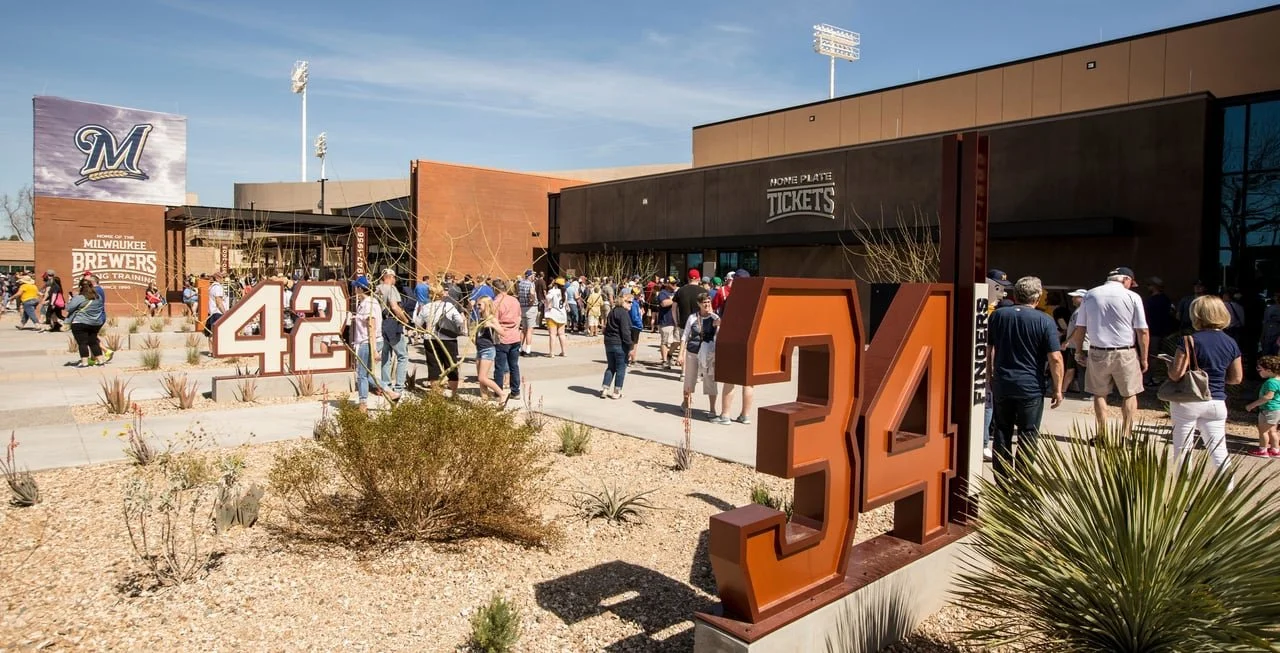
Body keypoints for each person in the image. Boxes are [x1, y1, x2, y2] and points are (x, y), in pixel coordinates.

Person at [987, 276, 1064, 480]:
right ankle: (1022, 479)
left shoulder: (998, 316)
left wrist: (990, 375)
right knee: (1028, 432)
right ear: (1037, 297)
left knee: (1002, 430)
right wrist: (1058, 389)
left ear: (1014, 295)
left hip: (1003, 382)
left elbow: (989, 350)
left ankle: (1002, 478)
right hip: (1030, 385)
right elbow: (1055, 358)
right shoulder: (1044, 320)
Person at [1068, 266, 1149, 437]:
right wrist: (1144, 357)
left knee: (1099, 394)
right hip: (1125, 351)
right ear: (1126, 279)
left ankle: (1102, 434)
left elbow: (1080, 327)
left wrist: (1078, 351)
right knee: (1129, 394)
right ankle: (1126, 435)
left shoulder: (1090, 295)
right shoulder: (1132, 296)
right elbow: (1142, 330)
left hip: (1098, 351)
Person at [1166, 295, 1241, 474]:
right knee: (1219, 451)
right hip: (1216, 401)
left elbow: (1176, 375)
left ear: (1196, 315)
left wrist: (1169, 365)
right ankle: (1227, 490)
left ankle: (1182, 493)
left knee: (1183, 450)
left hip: (1189, 400)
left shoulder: (1189, 340)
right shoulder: (1230, 342)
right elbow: (1236, 378)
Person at [351, 276, 400, 412]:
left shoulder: (368, 304)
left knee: (362, 375)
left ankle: (363, 404)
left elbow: (371, 326)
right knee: (366, 375)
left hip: (368, 342)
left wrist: (373, 349)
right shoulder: (368, 302)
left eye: (356, 287)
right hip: (369, 341)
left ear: (360, 288)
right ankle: (390, 392)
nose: (354, 289)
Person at [414, 284, 465, 397]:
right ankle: (454, 393)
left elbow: (417, 324)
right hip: (448, 339)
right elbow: (460, 321)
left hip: (430, 339)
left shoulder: (426, 307)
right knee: (451, 365)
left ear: (430, 295)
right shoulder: (449, 306)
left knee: (434, 366)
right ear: (442, 294)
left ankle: (436, 394)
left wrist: (425, 330)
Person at [682, 291, 722, 421]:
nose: (707, 304)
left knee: (710, 380)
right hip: (693, 351)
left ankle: (712, 408)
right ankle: (686, 403)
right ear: (699, 304)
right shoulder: (693, 317)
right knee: (690, 378)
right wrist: (680, 355)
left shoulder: (715, 317)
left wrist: (718, 323)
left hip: (709, 353)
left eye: (708, 302)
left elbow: (719, 336)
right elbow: (685, 335)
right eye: (704, 302)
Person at [376, 269, 411, 395]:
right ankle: (399, 387)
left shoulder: (376, 289)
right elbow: (394, 306)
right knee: (402, 355)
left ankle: (386, 385)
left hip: (381, 324)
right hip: (392, 323)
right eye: (394, 278)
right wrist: (406, 320)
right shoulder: (391, 289)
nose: (395, 280)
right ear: (389, 277)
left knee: (386, 356)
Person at [471, 296, 509, 404]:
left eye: (479, 305)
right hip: (479, 349)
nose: (477, 307)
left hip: (487, 349)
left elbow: (502, 332)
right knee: (480, 379)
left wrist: (492, 325)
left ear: (486, 306)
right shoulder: (480, 318)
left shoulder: (491, 318)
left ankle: (502, 394)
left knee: (482, 377)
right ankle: (484, 400)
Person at [491, 278, 524, 401]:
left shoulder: (496, 303)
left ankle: (498, 392)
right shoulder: (514, 300)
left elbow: (494, 320)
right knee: (514, 365)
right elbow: (519, 317)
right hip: (515, 336)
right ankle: (515, 391)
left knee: (499, 366)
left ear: (495, 289)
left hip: (502, 336)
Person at [66, 277, 107, 368]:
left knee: (82, 343)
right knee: (93, 342)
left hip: (80, 322)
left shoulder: (80, 297)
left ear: (81, 287)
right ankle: (100, 361)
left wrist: (70, 299)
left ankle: (84, 362)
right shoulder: (98, 297)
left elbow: (69, 308)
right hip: (95, 323)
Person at [1245, 355, 1280, 458]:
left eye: (1260, 369)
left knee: (1263, 431)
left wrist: (1252, 405)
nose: (1258, 372)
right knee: (1272, 431)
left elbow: (1268, 397)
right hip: (1276, 410)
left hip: (1268, 409)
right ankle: (1275, 450)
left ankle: (1263, 450)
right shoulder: (1278, 381)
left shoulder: (1271, 382)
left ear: (1268, 370)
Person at [601, 294, 634, 399]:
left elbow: (606, 327)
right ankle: (616, 391)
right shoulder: (623, 313)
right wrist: (630, 346)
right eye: (629, 302)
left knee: (611, 366)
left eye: (631, 302)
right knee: (621, 368)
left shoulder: (612, 311)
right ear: (623, 302)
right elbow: (626, 332)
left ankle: (605, 389)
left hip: (609, 342)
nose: (631, 304)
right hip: (619, 344)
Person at [1061, 289, 1088, 394]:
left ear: (1082, 298)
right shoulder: (1077, 311)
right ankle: (1062, 390)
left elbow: (1078, 329)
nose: (1072, 299)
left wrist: (1067, 340)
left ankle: (1086, 393)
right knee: (1070, 368)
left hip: (1082, 345)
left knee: (1083, 370)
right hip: (1074, 345)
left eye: (1075, 296)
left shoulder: (1082, 311)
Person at [656, 278, 679, 369]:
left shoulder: (677, 292)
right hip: (666, 320)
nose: (675, 285)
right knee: (665, 341)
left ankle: (670, 354)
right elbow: (664, 303)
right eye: (673, 283)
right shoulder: (663, 293)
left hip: (676, 320)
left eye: (676, 283)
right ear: (667, 284)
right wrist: (676, 299)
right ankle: (665, 361)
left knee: (678, 341)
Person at [544, 277, 569, 357]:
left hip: (553, 314)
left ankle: (552, 353)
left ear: (556, 284)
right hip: (562, 314)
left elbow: (547, 299)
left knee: (552, 334)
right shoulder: (565, 292)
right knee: (562, 334)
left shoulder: (552, 291)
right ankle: (564, 352)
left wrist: (549, 304)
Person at [517, 269, 539, 354]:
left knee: (524, 329)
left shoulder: (521, 283)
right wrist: (532, 301)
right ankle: (528, 349)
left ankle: (520, 347)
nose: (534, 276)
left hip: (522, 307)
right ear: (530, 276)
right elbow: (532, 294)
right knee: (530, 329)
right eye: (533, 275)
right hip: (531, 308)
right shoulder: (531, 284)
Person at [205, 272, 228, 337]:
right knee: (219, 335)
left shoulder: (212, 287)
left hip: (213, 313)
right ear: (217, 278)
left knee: (212, 335)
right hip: (218, 313)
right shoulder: (218, 288)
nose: (224, 279)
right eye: (222, 277)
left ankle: (212, 347)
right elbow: (219, 302)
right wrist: (225, 313)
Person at [626, 285, 643, 365]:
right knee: (634, 344)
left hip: (631, 325)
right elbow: (634, 316)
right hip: (634, 326)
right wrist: (640, 324)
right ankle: (632, 359)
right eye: (639, 294)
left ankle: (630, 358)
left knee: (632, 343)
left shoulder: (632, 303)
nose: (640, 296)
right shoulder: (634, 304)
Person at [1261, 291, 1280, 356]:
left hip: (1270, 333)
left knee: (1268, 353)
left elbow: (1265, 322)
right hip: (1272, 333)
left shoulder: (1271, 309)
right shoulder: (1271, 308)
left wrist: (1262, 336)